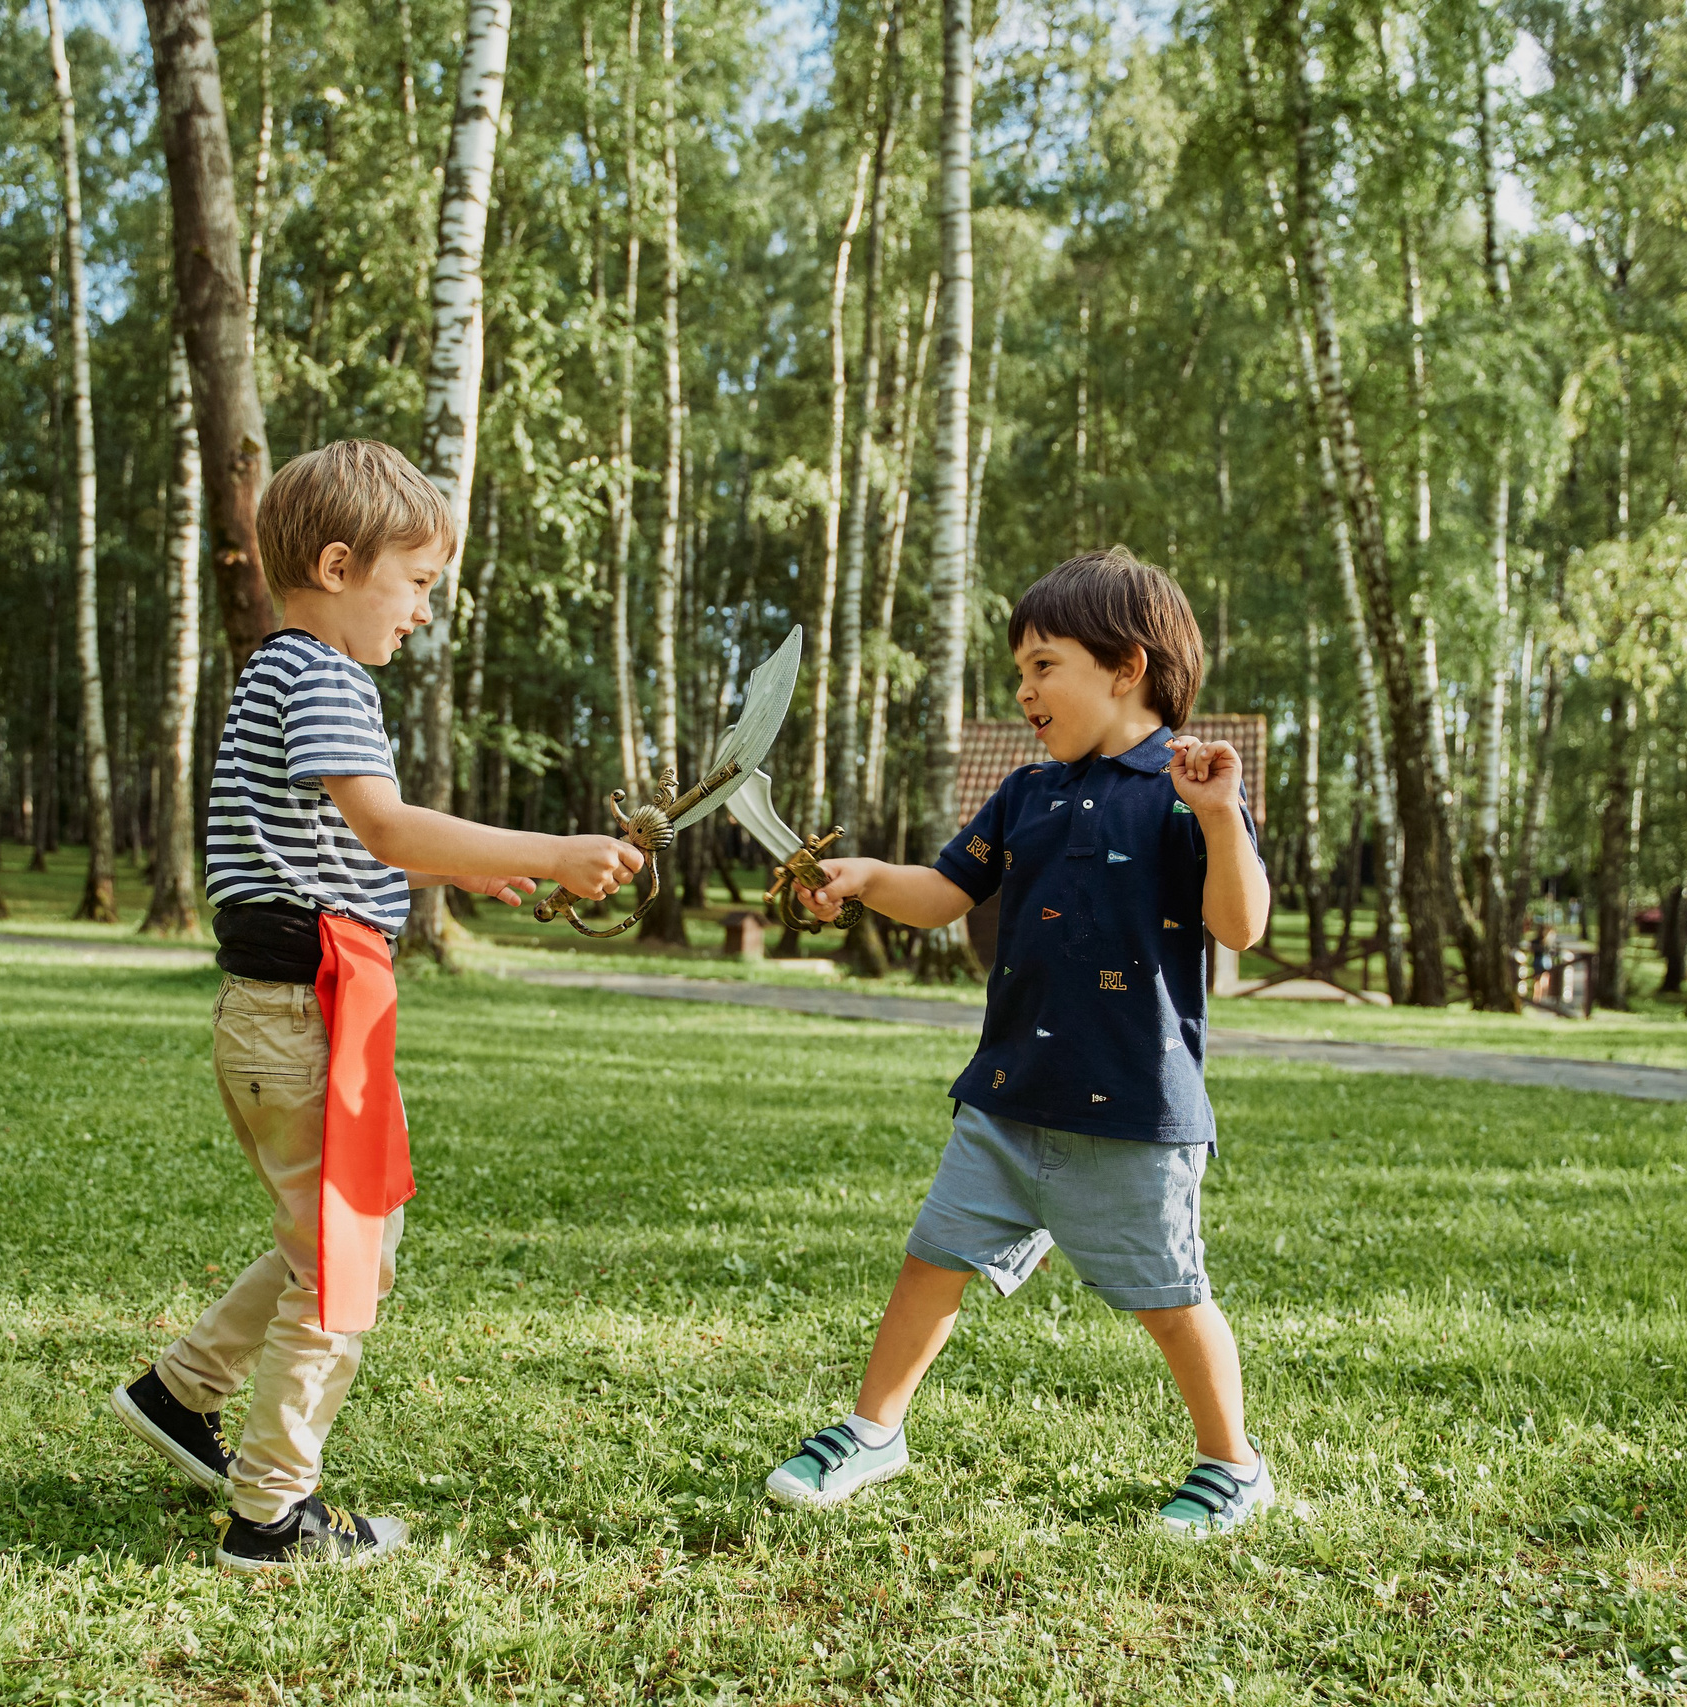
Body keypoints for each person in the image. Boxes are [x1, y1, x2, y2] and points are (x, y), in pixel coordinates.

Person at [108, 441, 644, 1568]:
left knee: (339, 1241)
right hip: (304, 1017)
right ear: (342, 565)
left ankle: (180, 1391)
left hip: (286, 1013)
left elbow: (344, 842)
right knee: (341, 1266)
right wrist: (550, 852)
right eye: (416, 585)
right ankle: (272, 1515)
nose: (419, 615)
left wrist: (467, 868)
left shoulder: (282, 670)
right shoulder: (321, 674)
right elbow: (386, 828)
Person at [761, 548, 1277, 1538]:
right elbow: (946, 895)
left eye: (1044, 665)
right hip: (1008, 1091)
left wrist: (1218, 819)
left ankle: (1232, 1462)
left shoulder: (1185, 789)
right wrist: (867, 876)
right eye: (1019, 672)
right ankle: (875, 1431)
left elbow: (1239, 925)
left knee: (1168, 1298)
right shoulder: (1025, 795)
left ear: (1123, 668)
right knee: (933, 1259)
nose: (1024, 690)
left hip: (1130, 1106)